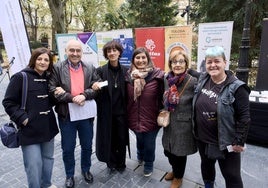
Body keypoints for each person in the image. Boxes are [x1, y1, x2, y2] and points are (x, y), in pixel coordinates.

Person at [192, 46, 250, 188]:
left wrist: (239, 140)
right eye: (209, 62)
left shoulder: (237, 88)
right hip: (203, 139)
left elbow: (244, 117)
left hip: (226, 143)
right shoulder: (203, 78)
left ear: (225, 62)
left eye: (217, 61)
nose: (213, 65)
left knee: (232, 175)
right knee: (206, 167)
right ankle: (208, 185)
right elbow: (189, 71)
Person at [2, 47, 59, 188]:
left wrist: (55, 95)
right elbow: (8, 102)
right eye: (39, 59)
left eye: (46, 60)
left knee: (48, 159)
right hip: (29, 129)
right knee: (33, 164)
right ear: (33, 60)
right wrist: (22, 118)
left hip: (48, 127)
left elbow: (49, 102)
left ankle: (46, 184)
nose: (43, 62)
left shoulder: (49, 78)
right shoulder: (20, 77)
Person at [49, 39, 100, 188]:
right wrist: (72, 98)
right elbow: (52, 89)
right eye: (72, 50)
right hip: (67, 116)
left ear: (81, 52)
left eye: (78, 50)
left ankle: (86, 170)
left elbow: (97, 87)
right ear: (66, 51)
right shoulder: (57, 68)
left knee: (87, 145)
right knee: (68, 148)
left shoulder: (90, 67)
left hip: (86, 115)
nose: (75, 53)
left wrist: (85, 95)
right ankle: (69, 175)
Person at [126, 47, 165, 177]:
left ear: (148, 59)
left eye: (143, 57)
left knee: (149, 143)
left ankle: (149, 163)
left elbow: (163, 95)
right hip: (134, 115)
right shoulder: (128, 76)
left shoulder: (157, 75)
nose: (141, 60)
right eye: (138, 57)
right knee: (139, 138)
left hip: (151, 117)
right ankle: (140, 155)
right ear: (133, 60)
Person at [92, 40, 129, 173]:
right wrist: (94, 86)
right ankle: (111, 162)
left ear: (119, 52)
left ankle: (121, 162)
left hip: (122, 113)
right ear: (106, 54)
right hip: (106, 113)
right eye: (109, 51)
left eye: (115, 50)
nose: (112, 53)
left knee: (121, 138)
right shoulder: (100, 71)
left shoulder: (126, 70)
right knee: (109, 138)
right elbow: (93, 88)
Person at [162, 50, 197, 188]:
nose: (177, 64)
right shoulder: (167, 79)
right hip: (169, 122)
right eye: (174, 62)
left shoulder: (192, 81)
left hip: (184, 124)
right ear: (170, 64)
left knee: (179, 153)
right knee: (168, 150)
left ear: (186, 63)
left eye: (181, 61)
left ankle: (178, 177)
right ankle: (175, 170)